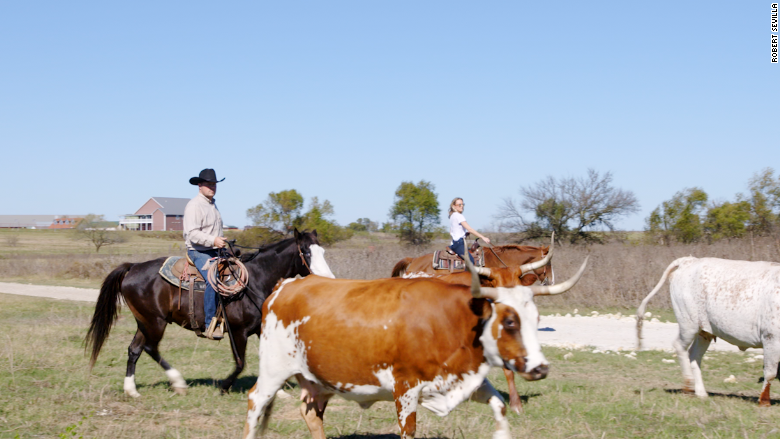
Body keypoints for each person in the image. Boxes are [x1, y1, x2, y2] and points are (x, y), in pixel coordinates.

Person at [183, 168, 227, 340]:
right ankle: (210, 323)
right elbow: (192, 234)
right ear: (199, 185)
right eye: (208, 184)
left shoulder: (212, 205)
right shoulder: (194, 205)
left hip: (215, 249)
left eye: (214, 184)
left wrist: (221, 242)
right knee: (213, 278)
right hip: (198, 251)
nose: (212, 187)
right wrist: (213, 240)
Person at [448, 197, 490, 264]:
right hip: (459, 244)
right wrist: (483, 237)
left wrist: (464, 234)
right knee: (471, 262)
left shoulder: (452, 216)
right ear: (454, 206)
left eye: (462, 204)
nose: (462, 206)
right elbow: (470, 229)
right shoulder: (459, 216)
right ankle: (466, 274)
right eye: (459, 204)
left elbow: (451, 231)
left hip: (455, 243)